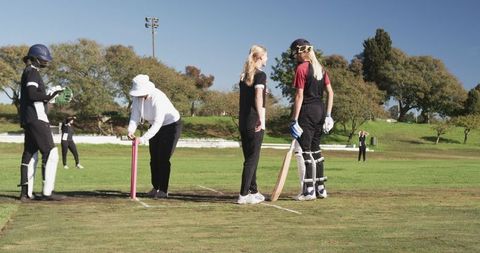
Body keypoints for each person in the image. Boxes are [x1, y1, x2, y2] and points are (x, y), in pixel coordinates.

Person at [18, 44, 66, 201]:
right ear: (35, 58)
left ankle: (26, 193)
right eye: (44, 59)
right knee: (51, 153)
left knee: (30, 155)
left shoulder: (28, 72)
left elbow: (31, 95)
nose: (46, 61)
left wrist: (49, 95)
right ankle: (47, 192)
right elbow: (32, 94)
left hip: (28, 118)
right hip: (37, 118)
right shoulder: (33, 72)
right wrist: (50, 95)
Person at [289, 39, 334, 201]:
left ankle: (308, 191)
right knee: (316, 150)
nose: (295, 57)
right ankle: (320, 188)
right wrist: (328, 115)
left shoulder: (301, 68)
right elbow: (330, 92)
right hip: (320, 111)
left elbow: (299, 95)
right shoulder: (320, 69)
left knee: (306, 150)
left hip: (307, 111)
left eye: (296, 54)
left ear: (301, 52)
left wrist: (294, 119)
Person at [127, 74, 182, 199]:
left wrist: (143, 139)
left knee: (163, 158)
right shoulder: (137, 99)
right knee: (154, 159)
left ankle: (163, 190)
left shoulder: (159, 97)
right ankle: (155, 187)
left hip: (171, 126)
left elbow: (158, 122)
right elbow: (135, 117)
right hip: (154, 126)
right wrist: (130, 130)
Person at [237, 45, 268, 205]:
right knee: (252, 159)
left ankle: (253, 190)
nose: (267, 59)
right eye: (266, 56)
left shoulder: (243, 76)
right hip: (254, 120)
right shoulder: (261, 75)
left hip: (243, 121)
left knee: (250, 157)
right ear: (259, 57)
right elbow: (257, 96)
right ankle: (243, 195)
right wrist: (261, 118)